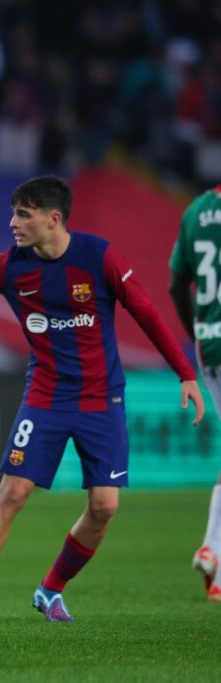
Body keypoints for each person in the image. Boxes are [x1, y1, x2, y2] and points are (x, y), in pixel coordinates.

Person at [0, 176, 205, 623]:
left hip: (101, 399)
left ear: (53, 219)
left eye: (23, 214)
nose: (12, 223)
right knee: (12, 493)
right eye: (13, 213)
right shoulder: (11, 266)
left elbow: (144, 310)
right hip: (45, 396)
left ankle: (50, 590)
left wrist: (185, 373)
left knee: (105, 506)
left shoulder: (98, 256)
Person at [168, 185, 221, 602]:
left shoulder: (197, 210)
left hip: (209, 345)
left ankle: (215, 558)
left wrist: (197, 336)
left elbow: (175, 286)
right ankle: (213, 546)